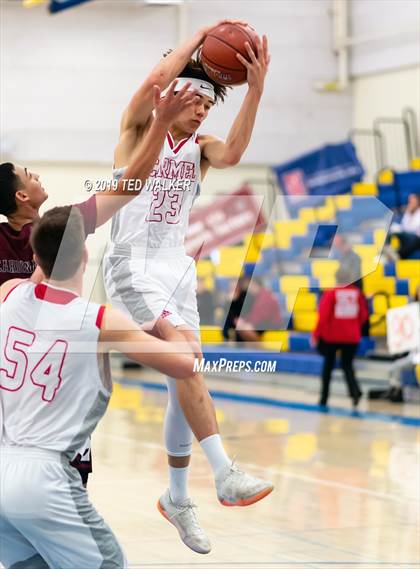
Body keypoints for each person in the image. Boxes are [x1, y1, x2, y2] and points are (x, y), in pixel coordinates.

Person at [103, 20, 273, 554]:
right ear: (171, 92)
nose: (202, 109)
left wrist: (257, 90)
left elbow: (237, 152)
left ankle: (177, 496)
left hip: (176, 269)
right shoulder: (136, 131)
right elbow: (154, 80)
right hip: (133, 263)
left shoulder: (201, 150)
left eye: (208, 102)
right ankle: (224, 472)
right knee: (184, 358)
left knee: (188, 367)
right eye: (196, 97)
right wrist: (201, 36)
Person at [0, 80, 197, 485]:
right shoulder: (66, 231)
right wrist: (159, 122)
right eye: (26, 173)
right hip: (50, 410)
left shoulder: (13, 290)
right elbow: (131, 186)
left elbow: (130, 183)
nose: (34, 173)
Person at [0, 206, 197, 568]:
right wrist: (168, 321)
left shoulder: (9, 293)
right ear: (86, 255)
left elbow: (39, 282)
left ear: (33, 255)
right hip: (46, 476)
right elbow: (186, 365)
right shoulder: (101, 319)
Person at [312, 267, 368, 408]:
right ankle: (355, 392)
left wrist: (316, 334)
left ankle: (324, 397)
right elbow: (364, 316)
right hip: (351, 337)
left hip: (332, 337)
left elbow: (323, 316)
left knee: (328, 367)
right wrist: (353, 326)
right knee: (347, 366)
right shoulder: (358, 294)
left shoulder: (331, 293)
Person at [236, 277, 282, 343]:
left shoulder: (265, 296)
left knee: (246, 328)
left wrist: (248, 323)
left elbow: (261, 315)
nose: (249, 289)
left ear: (255, 285)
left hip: (272, 325)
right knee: (241, 326)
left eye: (250, 286)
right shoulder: (257, 296)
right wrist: (244, 320)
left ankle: (259, 348)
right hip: (264, 323)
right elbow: (254, 313)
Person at [388, 193, 420, 259]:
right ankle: (387, 249)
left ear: (418, 202)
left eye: (412, 201)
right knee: (390, 232)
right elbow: (404, 225)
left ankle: (398, 255)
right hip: (408, 236)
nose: (410, 203)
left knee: (414, 239)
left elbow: (413, 228)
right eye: (409, 201)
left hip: (417, 239)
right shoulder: (408, 211)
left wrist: (401, 230)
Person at [222, 276, 252, 341]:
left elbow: (244, 309)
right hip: (231, 319)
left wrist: (235, 300)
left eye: (235, 282)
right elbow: (225, 310)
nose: (233, 285)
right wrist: (229, 300)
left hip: (242, 318)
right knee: (225, 322)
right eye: (231, 282)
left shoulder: (244, 294)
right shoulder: (227, 296)